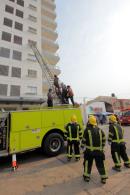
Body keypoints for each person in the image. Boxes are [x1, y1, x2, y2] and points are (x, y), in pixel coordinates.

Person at [81, 115, 108, 184]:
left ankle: (87, 177)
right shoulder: (100, 130)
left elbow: (84, 140)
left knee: (87, 164)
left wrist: (82, 147)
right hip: (99, 152)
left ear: (89, 122)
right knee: (100, 164)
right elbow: (104, 139)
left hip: (89, 152)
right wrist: (102, 147)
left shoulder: (87, 130)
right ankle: (103, 177)